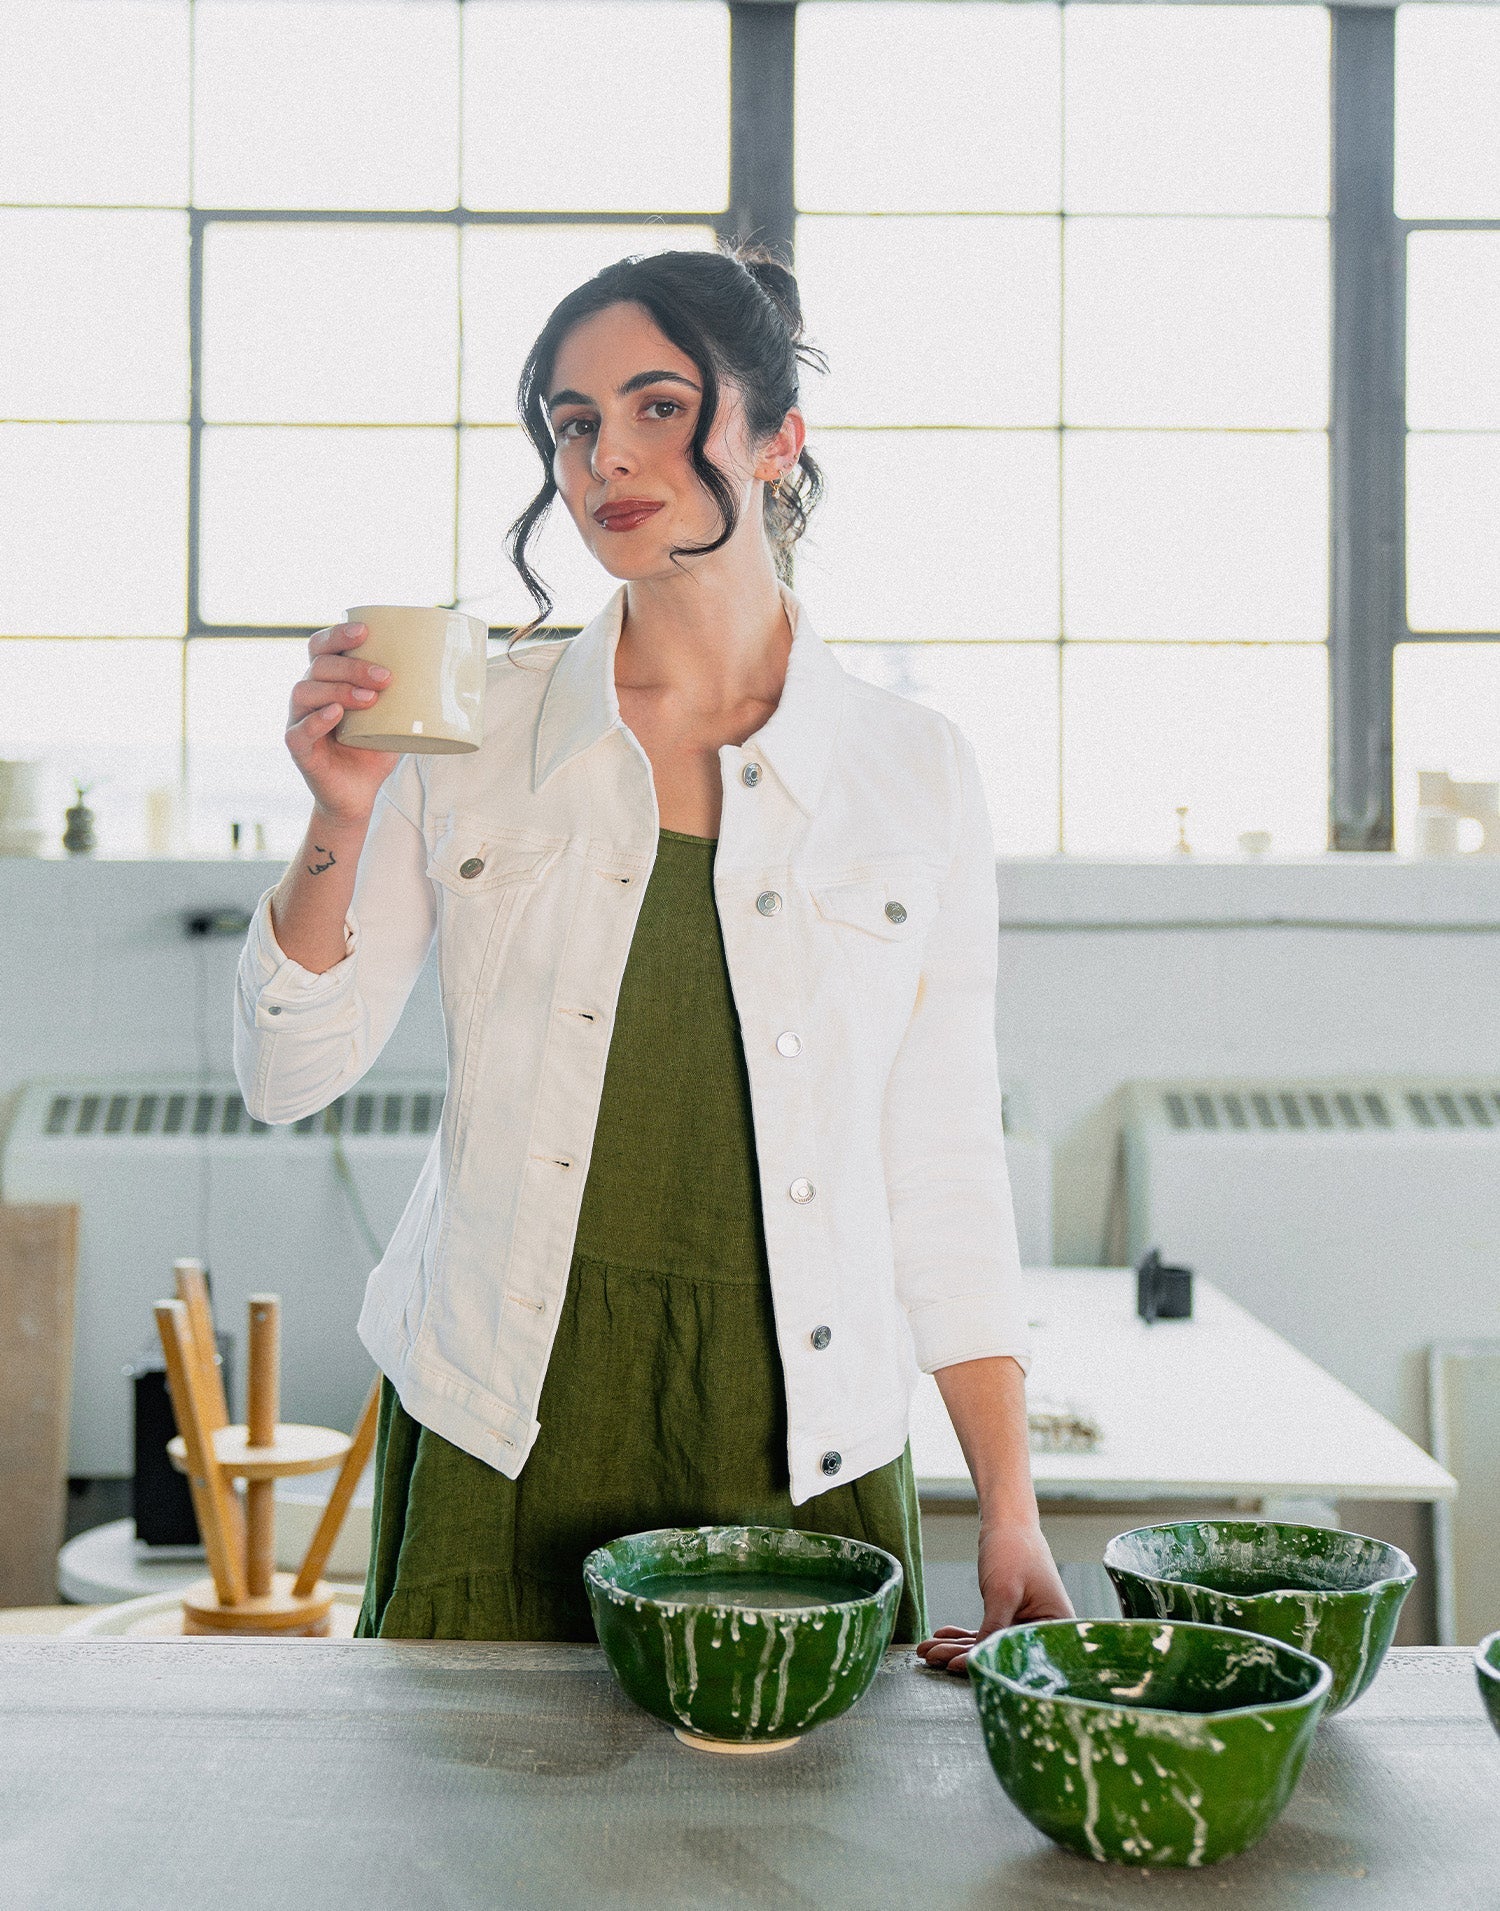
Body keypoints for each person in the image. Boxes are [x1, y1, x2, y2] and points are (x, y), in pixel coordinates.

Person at [233, 240, 1071, 1671]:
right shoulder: (477, 728)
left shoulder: (912, 770)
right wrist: (340, 815)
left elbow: (942, 1164)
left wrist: (1011, 1509)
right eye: (574, 423)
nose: (606, 456)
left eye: (659, 407)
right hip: (505, 1411)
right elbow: (286, 1073)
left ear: (776, 436)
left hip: (800, 1427)